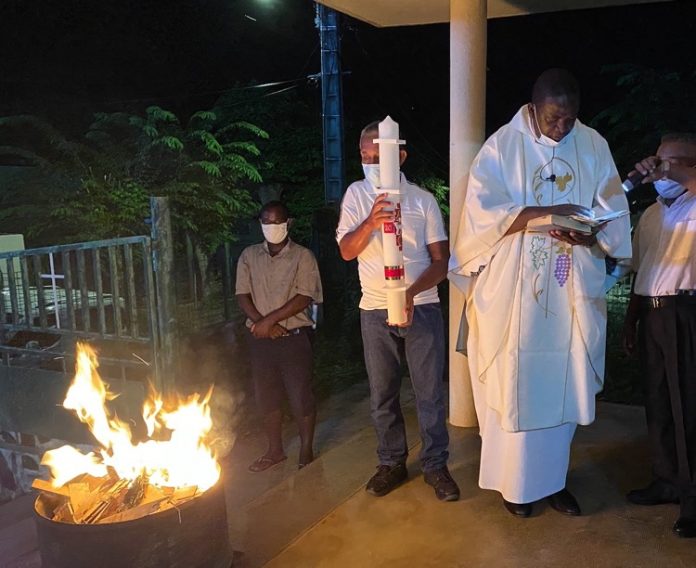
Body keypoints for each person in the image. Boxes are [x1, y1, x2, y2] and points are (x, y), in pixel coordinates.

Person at [449, 68, 632, 517]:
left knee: (563, 383)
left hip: (567, 289)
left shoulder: (592, 145)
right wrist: (545, 213)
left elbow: (613, 212)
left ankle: (553, 482)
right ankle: (516, 489)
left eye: (569, 119)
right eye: (553, 119)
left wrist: (590, 236)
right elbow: (480, 219)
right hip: (512, 293)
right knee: (514, 383)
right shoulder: (501, 148)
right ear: (534, 107)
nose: (561, 128)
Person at [335, 121, 460, 501]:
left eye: (379, 154)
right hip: (374, 310)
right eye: (365, 155)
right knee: (382, 393)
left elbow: (442, 261)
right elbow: (346, 251)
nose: (370, 161)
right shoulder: (356, 196)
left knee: (429, 394)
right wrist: (371, 222)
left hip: (421, 308)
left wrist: (410, 292)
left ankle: (436, 464)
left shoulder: (422, 200)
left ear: (400, 156)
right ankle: (391, 462)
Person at [622, 133, 696, 538]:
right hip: (652, 314)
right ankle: (666, 479)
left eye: (672, 163)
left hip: (686, 312)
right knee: (660, 402)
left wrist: (674, 171)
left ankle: (692, 497)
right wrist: (632, 321)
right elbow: (641, 271)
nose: (661, 170)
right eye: (657, 161)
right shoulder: (651, 215)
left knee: (688, 402)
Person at [236, 201, 323, 472]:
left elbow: (304, 296)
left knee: (300, 395)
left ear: (289, 223)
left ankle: (306, 449)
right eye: (266, 221)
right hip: (260, 338)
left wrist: (269, 321)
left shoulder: (303, 256)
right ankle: (274, 451)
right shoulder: (249, 256)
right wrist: (264, 326)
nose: (271, 227)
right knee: (266, 396)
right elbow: (242, 294)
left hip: (294, 336)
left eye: (277, 222)